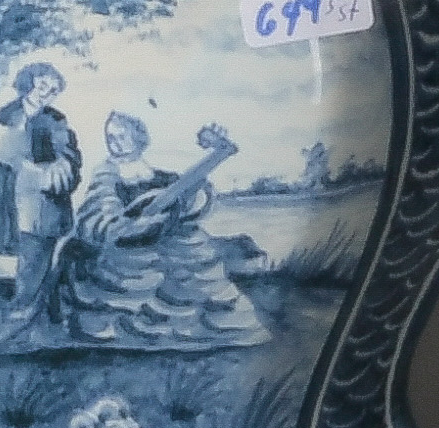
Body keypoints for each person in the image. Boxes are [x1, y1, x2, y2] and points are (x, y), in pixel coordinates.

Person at [42, 115, 274, 352]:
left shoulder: (158, 175)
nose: (115, 143)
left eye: (121, 136)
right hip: (129, 254)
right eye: (110, 137)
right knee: (133, 279)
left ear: (138, 138)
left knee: (194, 251)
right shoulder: (107, 174)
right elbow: (99, 214)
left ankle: (203, 323)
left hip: (172, 247)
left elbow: (193, 198)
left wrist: (187, 203)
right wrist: (131, 227)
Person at [0, 64, 83, 310]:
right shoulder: (6, 115)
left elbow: (68, 156)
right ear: (28, 83)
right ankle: (27, 311)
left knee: (38, 264)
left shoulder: (56, 120)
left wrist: (61, 167)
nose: (46, 93)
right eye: (42, 86)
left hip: (42, 205)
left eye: (53, 90)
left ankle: (29, 312)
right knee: (22, 263)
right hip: (10, 199)